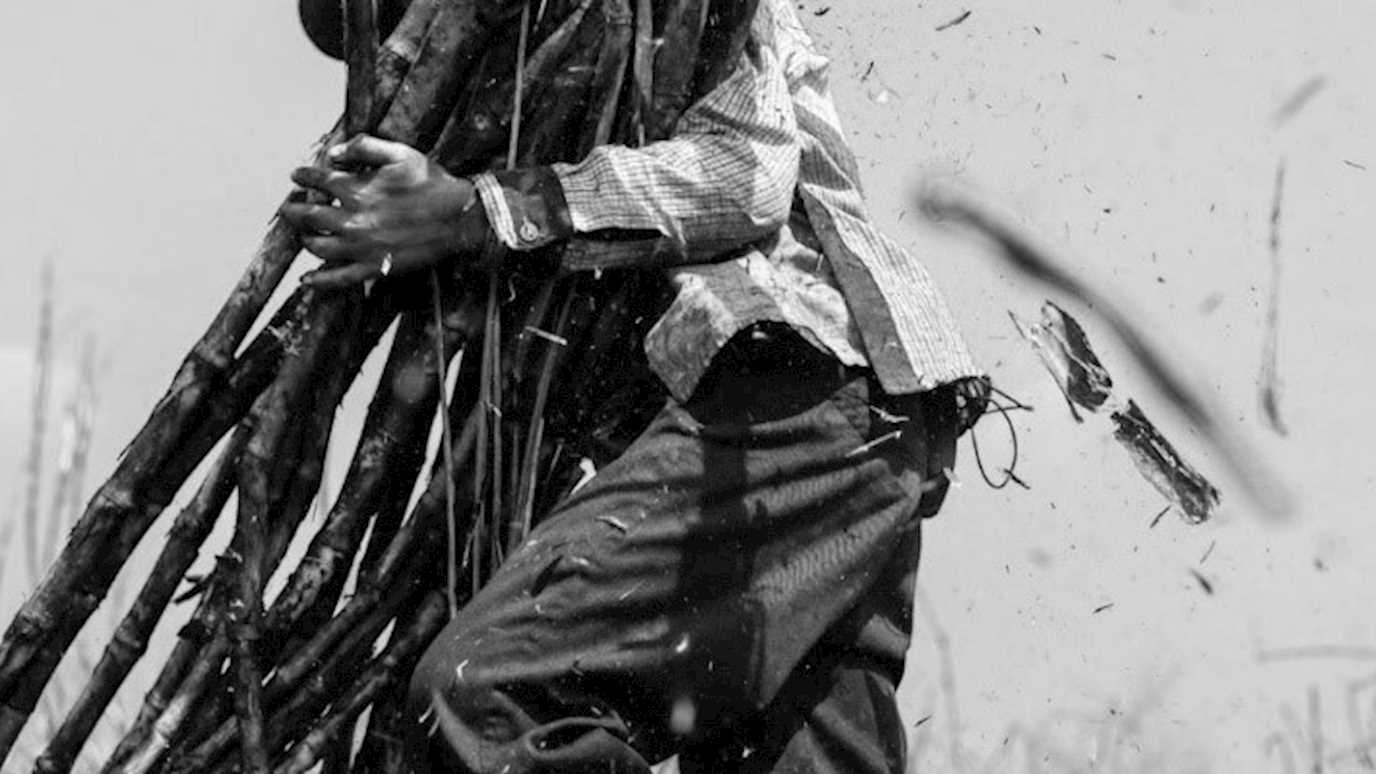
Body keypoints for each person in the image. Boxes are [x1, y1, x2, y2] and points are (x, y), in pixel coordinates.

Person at [282, 0, 988, 770]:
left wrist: (478, 210)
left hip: (788, 381)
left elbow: (745, 176)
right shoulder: (549, 87)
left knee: (483, 694)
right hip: (856, 426)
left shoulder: (636, 13)